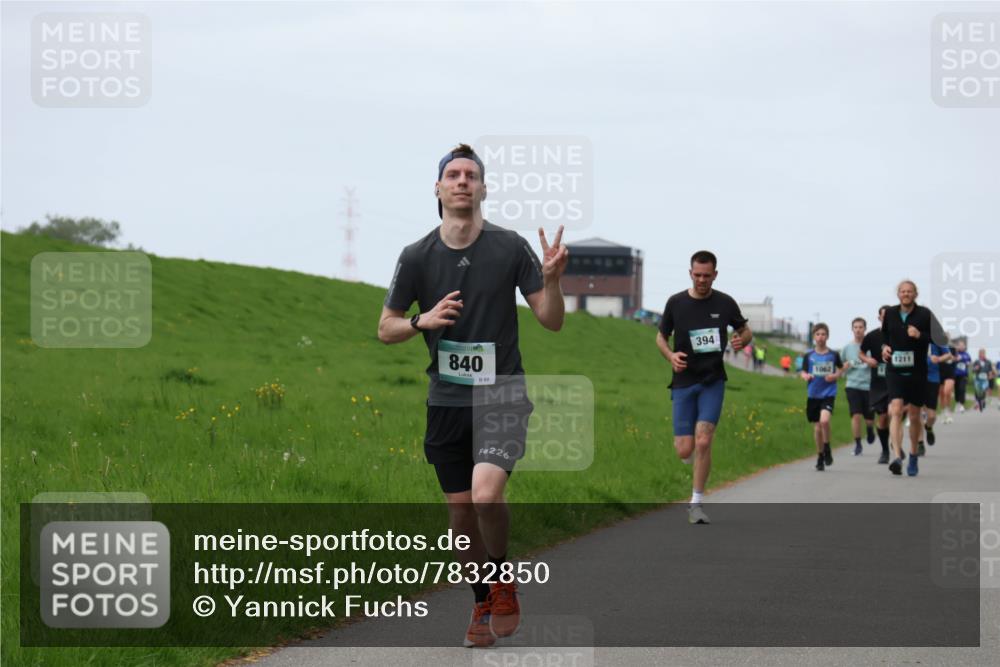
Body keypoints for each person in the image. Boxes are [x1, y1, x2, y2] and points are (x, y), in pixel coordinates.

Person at [378, 143, 568, 647]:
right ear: (438, 189)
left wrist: (552, 282)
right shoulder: (417, 255)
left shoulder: (509, 247)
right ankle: (480, 601)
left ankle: (502, 579)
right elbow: (386, 327)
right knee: (460, 514)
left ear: (483, 189)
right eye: (453, 174)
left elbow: (550, 321)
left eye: (471, 175)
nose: (462, 181)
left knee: (486, 495)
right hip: (446, 400)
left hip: (502, 392)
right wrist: (422, 319)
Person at [656, 250, 752, 525]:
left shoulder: (725, 303)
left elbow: (746, 330)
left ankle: (696, 502)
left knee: (704, 440)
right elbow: (661, 338)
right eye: (697, 275)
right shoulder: (676, 302)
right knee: (684, 449)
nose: (701, 280)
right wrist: (670, 356)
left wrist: (741, 340)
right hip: (684, 381)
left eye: (707, 276)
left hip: (712, 380)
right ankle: (694, 459)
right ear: (690, 273)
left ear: (715, 275)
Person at [880, 280, 945, 477]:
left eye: (909, 291)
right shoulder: (890, 313)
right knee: (896, 410)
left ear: (916, 294)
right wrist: (884, 348)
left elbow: (940, 339)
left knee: (915, 416)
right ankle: (897, 456)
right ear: (898, 294)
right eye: (902, 291)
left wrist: (920, 335)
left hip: (917, 372)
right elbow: (884, 336)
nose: (906, 294)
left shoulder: (924, 314)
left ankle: (914, 454)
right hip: (895, 370)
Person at [801, 323, 843, 470]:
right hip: (813, 394)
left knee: (824, 421)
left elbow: (840, 369)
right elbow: (803, 371)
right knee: (817, 427)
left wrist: (835, 375)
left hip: (828, 393)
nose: (820, 337)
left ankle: (827, 448)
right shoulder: (809, 355)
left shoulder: (833, 355)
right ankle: (820, 456)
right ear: (814, 337)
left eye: (823, 334)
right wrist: (806, 376)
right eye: (818, 334)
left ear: (827, 336)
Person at [859, 306, 893, 464]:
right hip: (879, 383)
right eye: (884, 316)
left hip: (896, 381)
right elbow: (861, 352)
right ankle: (885, 450)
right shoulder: (872, 336)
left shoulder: (900, 335)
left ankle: (896, 441)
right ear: (879, 318)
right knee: (883, 417)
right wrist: (867, 360)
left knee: (895, 413)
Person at [841, 317, 875, 456]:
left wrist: (871, 363)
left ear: (865, 329)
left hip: (869, 386)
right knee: (855, 415)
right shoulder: (847, 348)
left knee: (869, 418)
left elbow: (877, 363)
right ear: (852, 329)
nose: (858, 330)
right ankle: (858, 444)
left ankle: (870, 429)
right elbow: (840, 366)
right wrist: (845, 366)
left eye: (861, 327)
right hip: (852, 385)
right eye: (855, 327)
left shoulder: (871, 346)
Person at [922, 341, 953, 455]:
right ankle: (919, 444)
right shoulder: (913, 333)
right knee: (916, 412)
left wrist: (939, 359)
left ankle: (929, 428)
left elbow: (948, 355)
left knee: (932, 416)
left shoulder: (936, 337)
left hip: (932, 378)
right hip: (916, 377)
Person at [937, 341, 957, 424]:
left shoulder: (952, 348)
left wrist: (950, 357)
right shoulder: (937, 347)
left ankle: (948, 411)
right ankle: (943, 412)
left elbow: (955, 358)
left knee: (947, 392)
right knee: (941, 394)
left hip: (950, 372)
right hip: (940, 372)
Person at [954, 340, 972, 413]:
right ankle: (957, 402)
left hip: (963, 375)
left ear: (965, 347)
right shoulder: (955, 353)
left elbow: (970, 362)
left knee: (962, 389)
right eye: (959, 345)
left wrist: (965, 361)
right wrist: (956, 359)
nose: (961, 346)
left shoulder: (966, 354)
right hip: (955, 375)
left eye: (962, 345)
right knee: (957, 390)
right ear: (957, 346)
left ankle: (962, 405)